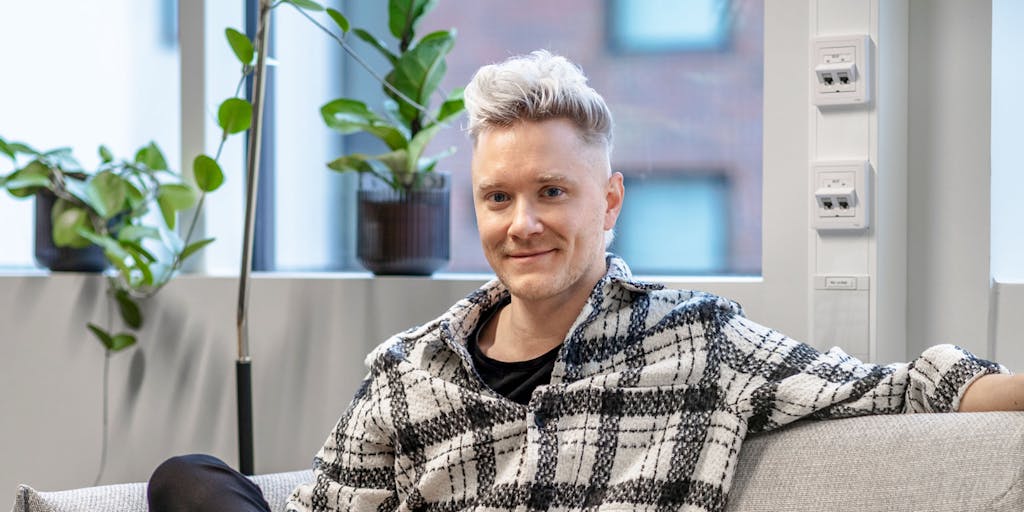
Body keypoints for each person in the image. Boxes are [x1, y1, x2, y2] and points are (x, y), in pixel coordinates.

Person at [148, 50, 1023, 512]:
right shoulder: (408, 372)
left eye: (551, 193)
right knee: (185, 477)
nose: (521, 223)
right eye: (498, 197)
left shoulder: (700, 341)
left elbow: (907, 386)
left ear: (608, 203)